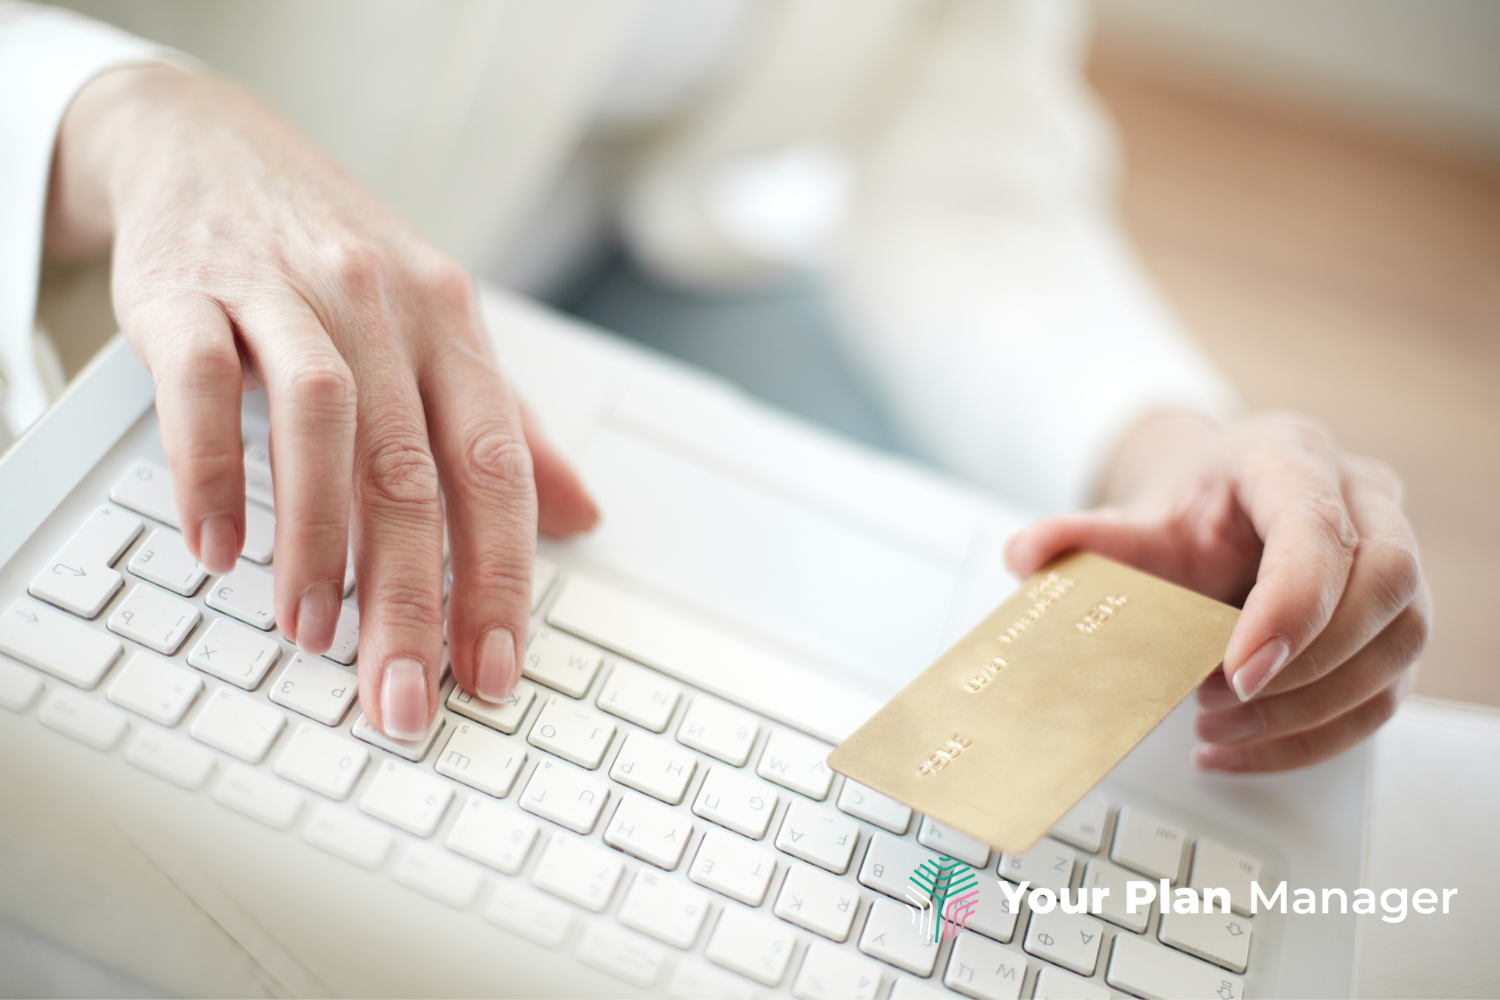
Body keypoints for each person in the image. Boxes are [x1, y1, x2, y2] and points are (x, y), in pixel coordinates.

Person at [2, 0, 1428, 773]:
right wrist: (118, 114)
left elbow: (956, 152)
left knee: (937, 657)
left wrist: (1166, 441)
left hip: (573, 259)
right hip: (89, 241)